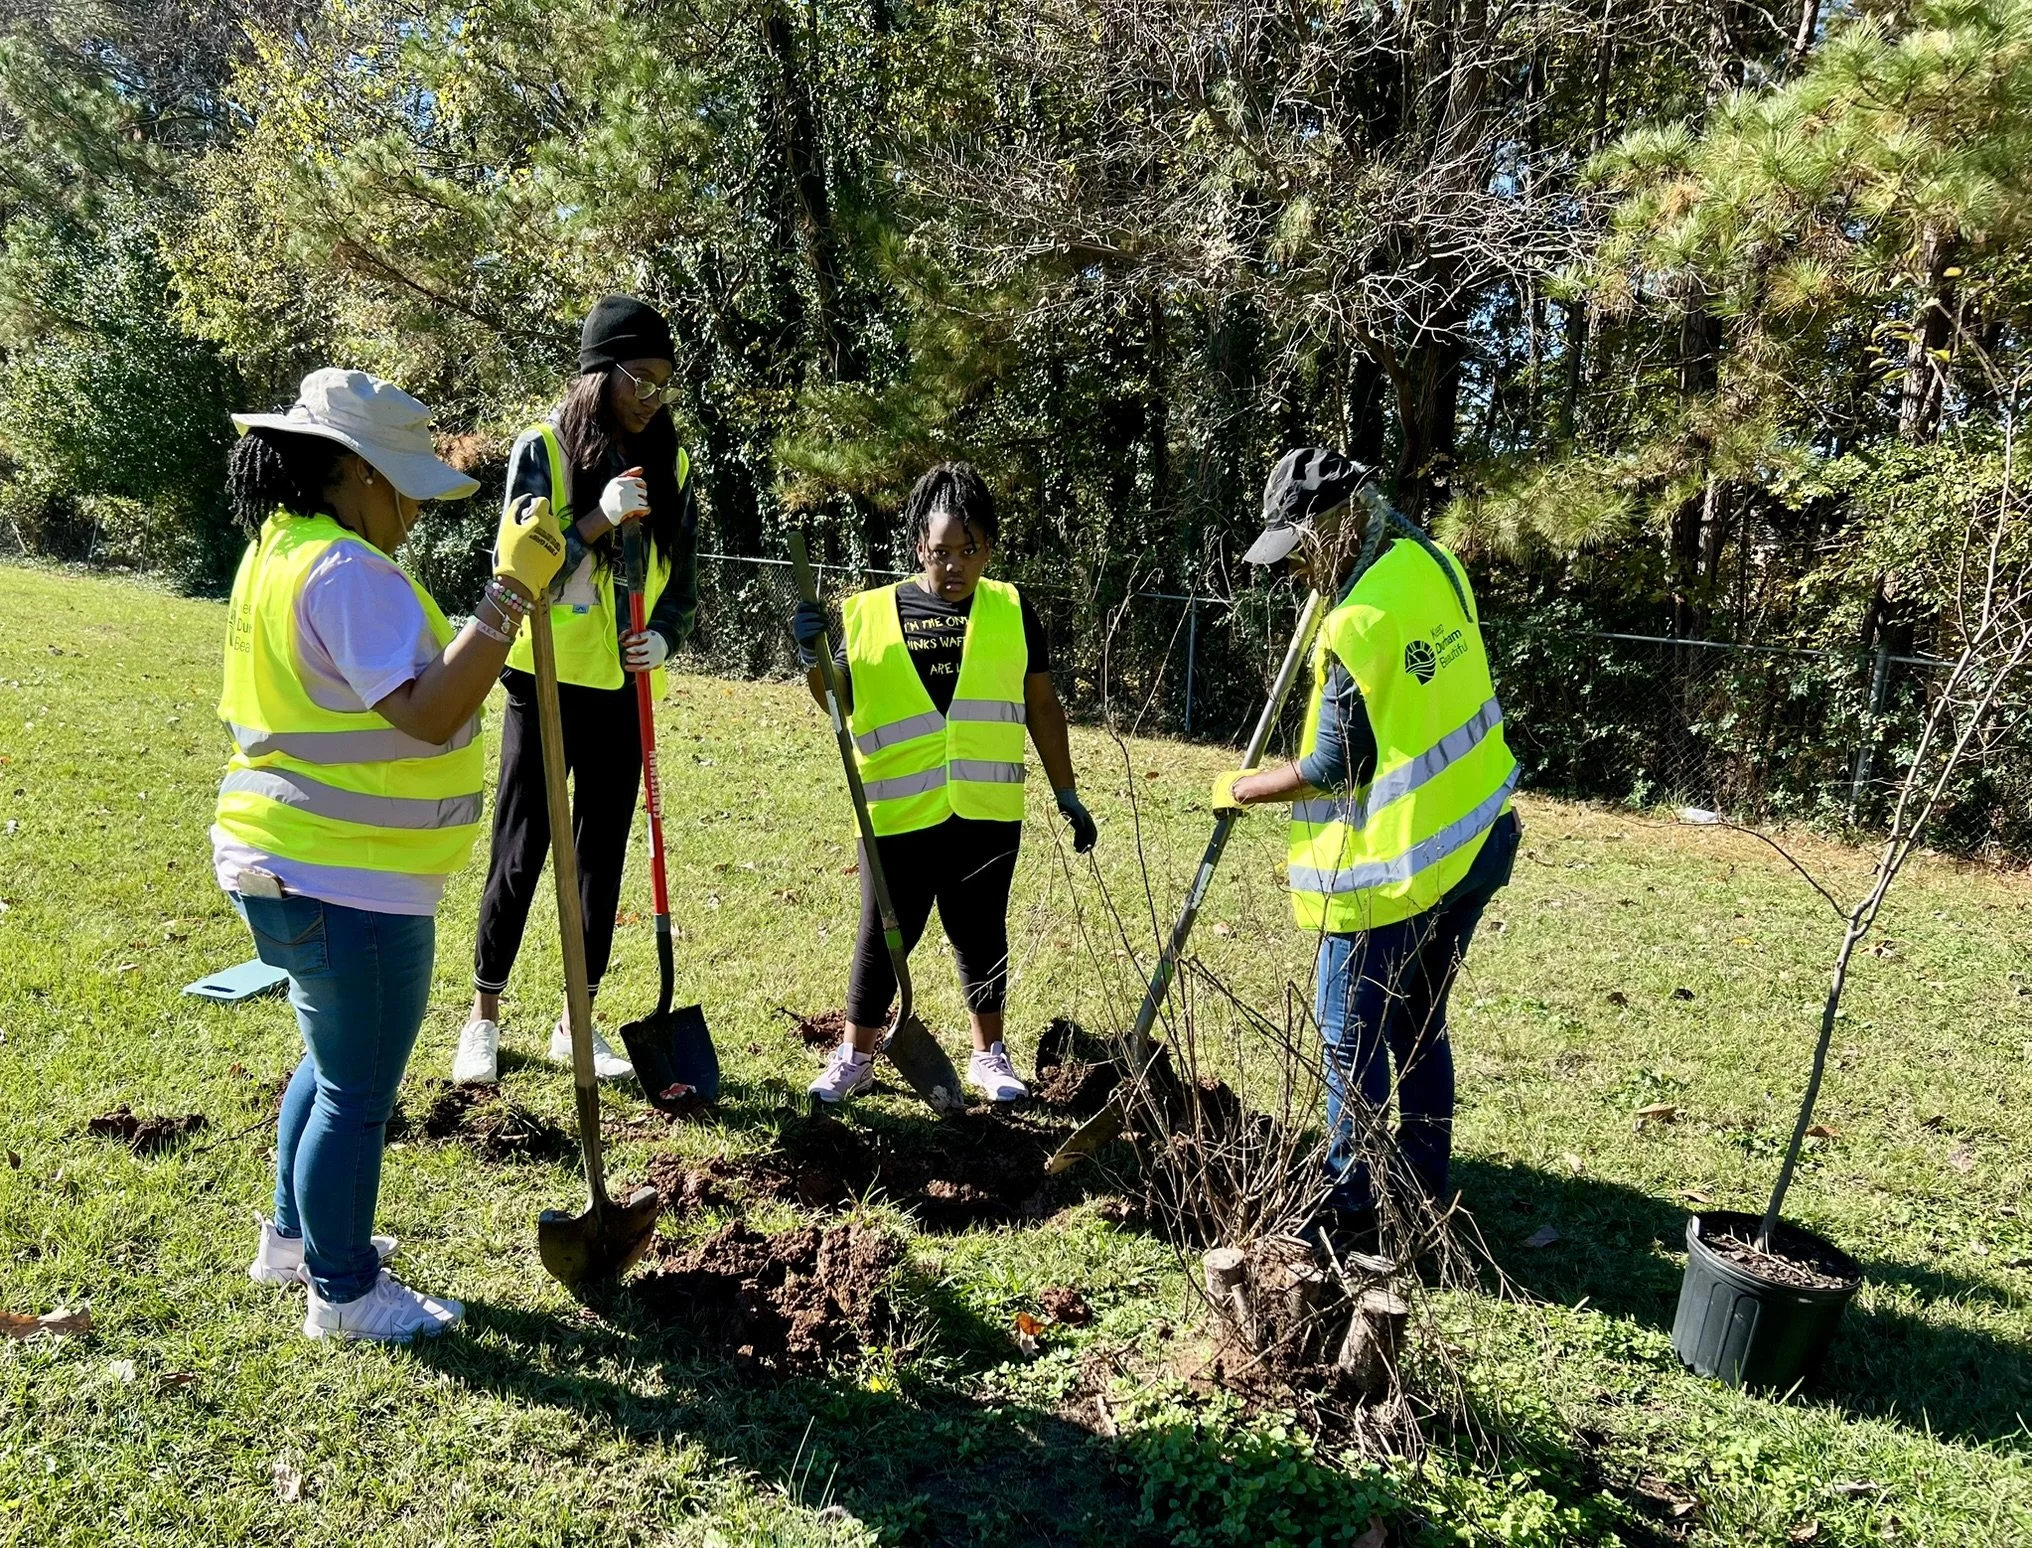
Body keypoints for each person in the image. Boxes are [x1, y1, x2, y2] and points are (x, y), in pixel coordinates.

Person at [215, 367, 566, 1341]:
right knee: (358, 1092)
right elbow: (429, 713)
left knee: (329, 1067)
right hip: (347, 878)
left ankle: (291, 1240)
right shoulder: (347, 573)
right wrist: (506, 599)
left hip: (280, 857)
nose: (414, 506)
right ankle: (343, 1290)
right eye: (403, 484)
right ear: (352, 473)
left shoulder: (277, 553)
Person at [1212, 447, 1520, 1255]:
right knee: (1420, 1023)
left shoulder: (1356, 622)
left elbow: (1330, 767)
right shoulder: (1435, 564)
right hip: (1480, 838)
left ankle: (1349, 1208)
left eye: (1300, 551)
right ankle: (1420, 1197)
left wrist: (1240, 788)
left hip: (1395, 872)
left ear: (1342, 524)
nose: (1293, 573)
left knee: (1350, 1038)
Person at [789, 463, 1098, 1106]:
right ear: (916, 547)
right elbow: (836, 698)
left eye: (969, 551)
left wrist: (1065, 791)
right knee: (882, 932)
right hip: (897, 811)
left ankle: (990, 1054)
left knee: (981, 930)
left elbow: (1042, 706)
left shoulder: (1014, 611)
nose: (953, 566)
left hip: (985, 808)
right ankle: (855, 1055)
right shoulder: (869, 614)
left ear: (989, 547)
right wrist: (814, 658)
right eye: (939, 552)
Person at [453, 295, 701, 1086]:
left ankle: (578, 1018)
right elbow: (521, 566)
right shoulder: (544, 449)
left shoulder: (675, 464)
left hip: (622, 688)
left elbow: (685, 581)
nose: (650, 396)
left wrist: (663, 633)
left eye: (663, 382)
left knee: (600, 859)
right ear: (600, 373)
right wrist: (595, 519)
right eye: (639, 378)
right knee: (523, 848)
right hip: (544, 679)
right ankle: (484, 1018)